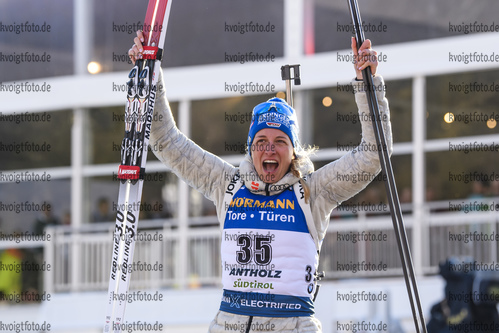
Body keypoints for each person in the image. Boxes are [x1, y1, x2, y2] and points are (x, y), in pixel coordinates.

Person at [129, 31, 392, 332]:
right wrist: (150, 76)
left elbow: (373, 156)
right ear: (250, 148)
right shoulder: (225, 183)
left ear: (293, 150)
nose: (269, 148)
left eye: (280, 141)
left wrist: (368, 84)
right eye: (261, 140)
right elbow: (165, 142)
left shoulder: (313, 191)